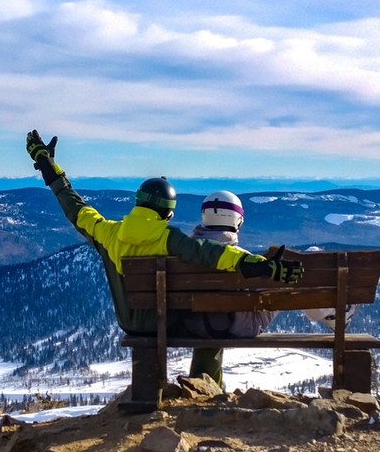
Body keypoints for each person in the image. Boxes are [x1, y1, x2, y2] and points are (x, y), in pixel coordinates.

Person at [24, 129, 303, 352]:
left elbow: (77, 210)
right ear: (167, 213)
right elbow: (210, 254)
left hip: (129, 323)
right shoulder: (167, 238)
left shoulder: (108, 233)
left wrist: (49, 168)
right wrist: (257, 264)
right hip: (170, 323)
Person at [182, 190, 276, 385]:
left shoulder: (183, 254)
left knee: (212, 314)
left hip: (188, 324)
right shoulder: (242, 258)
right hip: (236, 326)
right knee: (278, 290)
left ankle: (208, 384)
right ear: (238, 221)